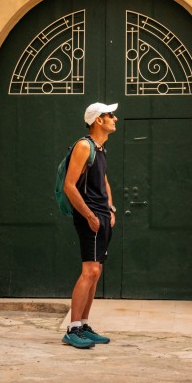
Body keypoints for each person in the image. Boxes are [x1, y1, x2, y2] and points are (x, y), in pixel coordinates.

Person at [62, 101, 118, 349]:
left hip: (102, 215)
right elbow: (69, 186)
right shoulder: (84, 146)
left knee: (96, 272)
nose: (115, 119)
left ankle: (84, 324)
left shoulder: (100, 149)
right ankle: (72, 329)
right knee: (89, 271)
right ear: (98, 120)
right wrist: (89, 215)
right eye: (111, 115)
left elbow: (104, 182)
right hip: (90, 217)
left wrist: (111, 208)